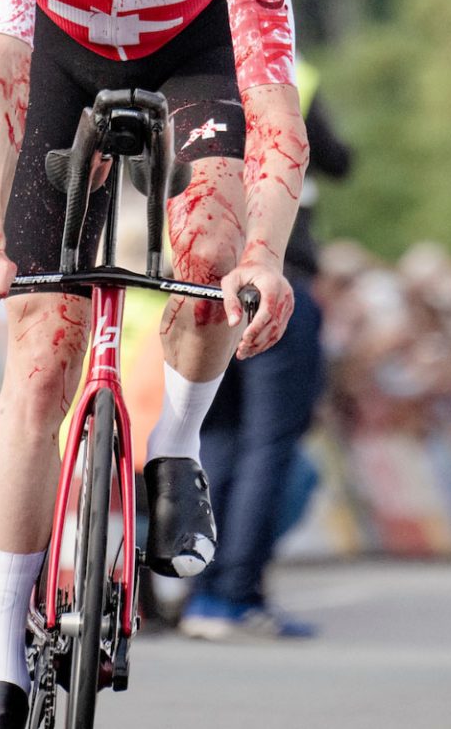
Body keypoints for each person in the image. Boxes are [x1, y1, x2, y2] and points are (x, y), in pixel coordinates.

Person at [0, 0, 308, 729]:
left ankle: (175, 450)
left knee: (212, 248)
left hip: (189, 62)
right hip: (58, 61)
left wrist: (265, 261)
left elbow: (276, 109)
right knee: (40, 369)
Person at [183, 59, 351, 640]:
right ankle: (234, 593)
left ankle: (203, 589)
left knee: (218, 439)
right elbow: (336, 158)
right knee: (269, 443)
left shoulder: (179, 59)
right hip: (275, 272)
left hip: (202, 271)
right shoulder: (293, 68)